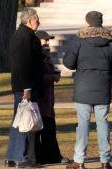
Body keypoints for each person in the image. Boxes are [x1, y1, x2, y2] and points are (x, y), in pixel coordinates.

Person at [63, 11, 112, 169]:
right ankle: (105, 160)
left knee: (82, 124)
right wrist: (106, 72)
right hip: (103, 86)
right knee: (103, 123)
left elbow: (69, 63)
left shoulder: (80, 41)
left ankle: (80, 160)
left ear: (87, 22)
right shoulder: (111, 42)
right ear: (101, 21)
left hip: (83, 87)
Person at [5, 7, 44, 168]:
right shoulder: (25, 37)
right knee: (25, 122)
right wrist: (27, 88)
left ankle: (12, 156)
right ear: (29, 20)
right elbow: (24, 64)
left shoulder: (23, 35)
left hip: (22, 85)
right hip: (25, 86)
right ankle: (21, 158)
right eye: (37, 19)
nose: (39, 22)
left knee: (19, 120)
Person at [34, 30, 64, 165]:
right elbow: (37, 77)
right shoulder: (36, 57)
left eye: (48, 41)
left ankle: (53, 156)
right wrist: (52, 77)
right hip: (40, 100)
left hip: (47, 101)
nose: (47, 43)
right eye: (45, 41)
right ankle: (41, 157)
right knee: (41, 131)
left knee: (49, 130)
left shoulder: (46, 56)